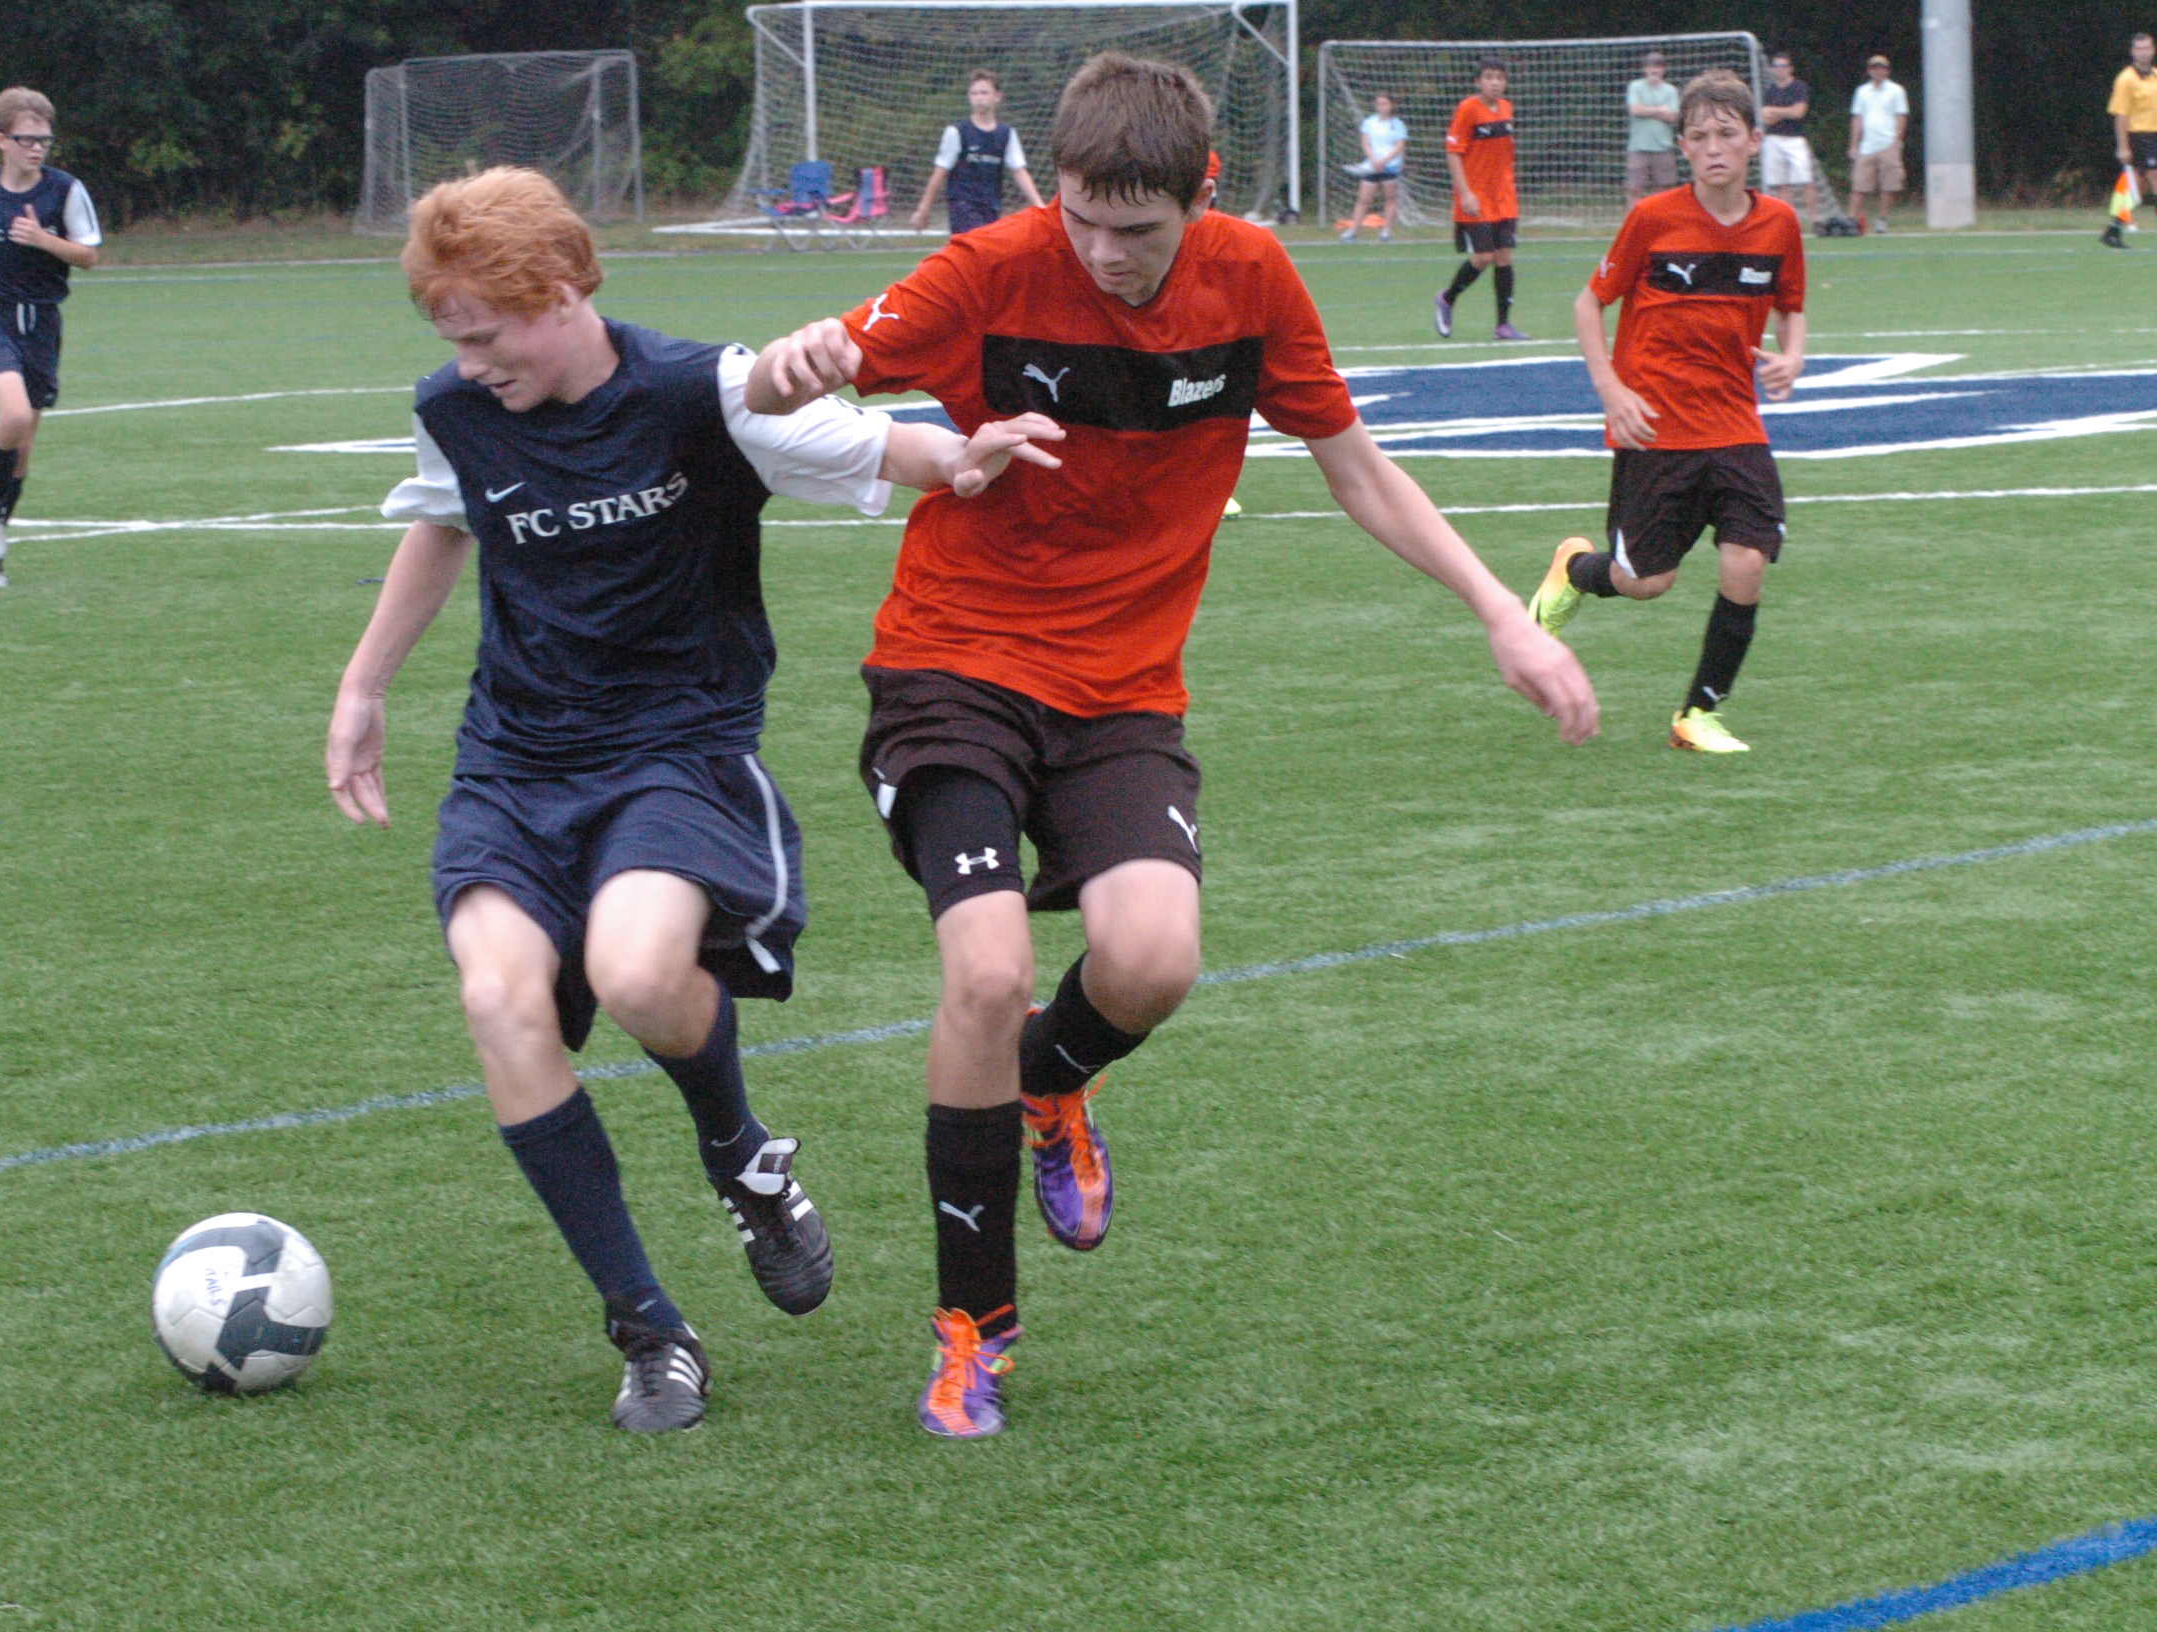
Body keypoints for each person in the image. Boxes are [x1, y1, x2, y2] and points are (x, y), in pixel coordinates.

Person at [744, 53, 1597, 1439]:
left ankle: (1052, 1080)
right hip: (953, 666)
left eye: (1135, 230)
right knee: (986, 970)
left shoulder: (1251, 281)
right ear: (1057, 190)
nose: (1103, 253)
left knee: (1152, 961)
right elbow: (788, 389)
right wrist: (801, 366)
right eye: (1082, 219)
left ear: (1201, 194)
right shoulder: (989, 269)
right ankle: (973, 1329)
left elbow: (1357, 469)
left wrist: (1503, 613)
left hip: (1123, 693)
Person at [326, 167, 1059, 1435]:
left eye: (485, 335)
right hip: (514, 762)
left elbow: (881, 448)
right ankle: (649, 1330)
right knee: (498, 999)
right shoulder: (455, 409)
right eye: (451, 340)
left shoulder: (697, 393)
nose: (467, 363)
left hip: (676, 750)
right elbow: (445, 521)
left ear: (560, 294)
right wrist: (362, 689)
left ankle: (738, 1153)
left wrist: (967, 456)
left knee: (633, 971)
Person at [1528, 70, 1806, 755]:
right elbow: (1589, 303)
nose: (1714, 147)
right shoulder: (1653, 219)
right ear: (1682, 146)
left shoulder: (1779, 224)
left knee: (1747, 559)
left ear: (1753, 141)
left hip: (1735, 427)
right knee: (1646, 581)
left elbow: (1791, 305)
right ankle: (1574, 571)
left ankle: (1698, 713)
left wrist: (1793, 356)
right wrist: (1612, 391)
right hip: (1655, 430)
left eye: (1727, 134)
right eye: (1700, 136)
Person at [0, 87, 102, 590]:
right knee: (13, 415)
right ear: (0, 140)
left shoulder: (65, 190)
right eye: (26, 139)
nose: (36, 149)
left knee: (23, 446)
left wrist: (44, 240)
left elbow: (89, 255)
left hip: (42, 323)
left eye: (44, 140)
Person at [1437, 59, 1526, 340]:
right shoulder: (1467, 109)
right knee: (1483, 256)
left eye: (1500, 77)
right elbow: (1453, 153)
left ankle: (1503, 325)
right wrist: (1465, 193)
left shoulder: (1506, 108)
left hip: (1504, 197)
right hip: (1476, 196)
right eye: (1489, 77)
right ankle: (1447, 298)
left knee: (1503, 256)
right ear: (1478, 82)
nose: (1495, 82)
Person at [909, 70, 1045, 236]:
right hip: (963, 207)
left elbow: (1019, 171)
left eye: (984, 93)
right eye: (974, 93)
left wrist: (1040, 206)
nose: (979, 98)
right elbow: (940, 171)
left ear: (997, 96)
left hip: (991, 207)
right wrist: (923, 209)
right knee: (978, 244)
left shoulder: (1006, 134)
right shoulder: (957, 132)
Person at [2104, 33, 2157, 248]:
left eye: (2146, 48)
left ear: (2153, 50)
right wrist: (2123, 147)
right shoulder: (2126, 79)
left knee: (2137, 189)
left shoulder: (2155, 75)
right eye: (2138, 49)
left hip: (2154, 135)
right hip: (2140, 136)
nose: (2143, 52)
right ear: (2132, 52)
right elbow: (2120, 115)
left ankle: (2113, 230)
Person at [1848, 54, 1909, 233]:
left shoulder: (1896, 91)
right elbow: (1857, 118)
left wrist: (1897, 141)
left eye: (1882, 68)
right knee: (1859, 185)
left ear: (1887, 71)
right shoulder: (1862, 92)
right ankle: (1851, 220)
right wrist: (1853, 144)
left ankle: (1882, 220)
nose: (1878, 71)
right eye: (1875, 67)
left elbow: (1901, 117)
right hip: (1867, 145)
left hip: (1888, 143)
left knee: (1888, 185)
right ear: (1869, 70)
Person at [1339, 91, 1406, 243]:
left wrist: (1384, 161)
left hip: (1390, 166)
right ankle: (1353, 231)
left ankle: (1386, 232)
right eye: (1379, 104)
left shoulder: (1397, 125)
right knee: (1364, 199)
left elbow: (1399, 146)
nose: (1381, 107)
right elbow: (1365, 143)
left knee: (1389, 199)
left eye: (1384, 103)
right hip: (1371, 166)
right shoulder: (1370, 122)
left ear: (1391, 105)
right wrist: (1374, 160)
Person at [1759, 52, 1816, 214]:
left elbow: (1798, 112)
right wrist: (1787, 112)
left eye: (1783, 66)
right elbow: (1765, 118)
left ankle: (1815, 219)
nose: (1780, 69)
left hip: (1795, 139)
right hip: (1773, 138)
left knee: (1806, 179)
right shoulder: (1769, 91)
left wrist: (1774, 111)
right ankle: (1787, 217)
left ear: (1790, 68)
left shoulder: (1799, 87)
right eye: (1776, 66)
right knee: (1781, 183)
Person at [1625, 52, 1681, 206]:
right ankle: (1634, 219)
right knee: (1634, 188)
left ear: (1664, 70)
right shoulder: (1636, 86)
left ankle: (1659, 219)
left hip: (1663, 147)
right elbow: (1635, 110)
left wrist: (1646, 110)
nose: (1655, 70)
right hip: (1638, 147)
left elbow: (1673, 116)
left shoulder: (1670, 90)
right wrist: (1660, 110)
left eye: (1659, 67)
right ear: (1645, 69)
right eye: (1651, 67)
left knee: (1663, 191)